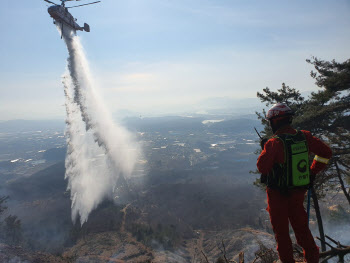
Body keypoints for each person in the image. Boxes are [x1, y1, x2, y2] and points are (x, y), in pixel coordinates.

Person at [257, 103, 332, 263]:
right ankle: (312, 259)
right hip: (298, 192)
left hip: (277, 196)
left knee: (282, 235)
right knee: (302, 230)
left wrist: (265, 148)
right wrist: (312, 172)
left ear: (274, 122)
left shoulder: (274, 143)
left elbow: (262, 167)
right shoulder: (304, 136)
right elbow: (326, 153)